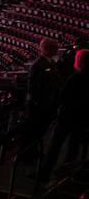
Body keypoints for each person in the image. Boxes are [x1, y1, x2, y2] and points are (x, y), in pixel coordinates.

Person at [38, 49, 89, 182]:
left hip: (67, 117)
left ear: (80, 61)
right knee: (73, 147)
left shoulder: (75, 78)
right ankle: (65, 177)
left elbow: (63, 96)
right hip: (82, 119)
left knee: (54, 146)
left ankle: (45, 174)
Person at [25, 39, 62, 157]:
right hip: (38, 107)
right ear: (46, 49)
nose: (57, 50)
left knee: (40, 131)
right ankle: (31, 155)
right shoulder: (37, 65)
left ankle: (36, 152)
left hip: (47, 104)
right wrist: (41, 104)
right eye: (54, 48)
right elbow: (33, 88)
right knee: (34, 132)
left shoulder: (50, 63)